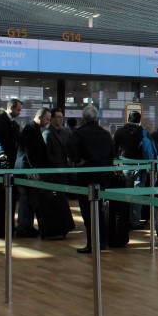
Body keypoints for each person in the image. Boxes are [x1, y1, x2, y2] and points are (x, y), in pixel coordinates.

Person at [68, 104, 115, 254]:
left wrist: (78, 161)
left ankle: (92, 243)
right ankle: (101, 241)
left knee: (88, 212)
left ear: (83, 118)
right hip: (102, 176)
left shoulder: (79, 133)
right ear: (97, 117)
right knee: (99, 210)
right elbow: (111, 155)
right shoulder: (105, 134)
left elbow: (71, 151)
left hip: (86, 176)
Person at [14, 107, 54, 237]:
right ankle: (23, 227)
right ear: (40, 117)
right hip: (26, 171)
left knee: (29, 199)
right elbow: (31, 153)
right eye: (47, 119)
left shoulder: (32, 128)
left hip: (25, 169)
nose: (48, 122)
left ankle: (27, 226)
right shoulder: (32, 130)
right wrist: (35, 170)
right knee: (26, 199)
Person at [0, 98, 22, 169]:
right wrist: (0, 152)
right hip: (0, 159)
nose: (19, 113)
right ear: (11, 107)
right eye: (18, 110)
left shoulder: (13, 124)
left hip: (7, 159)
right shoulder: (0, 119)